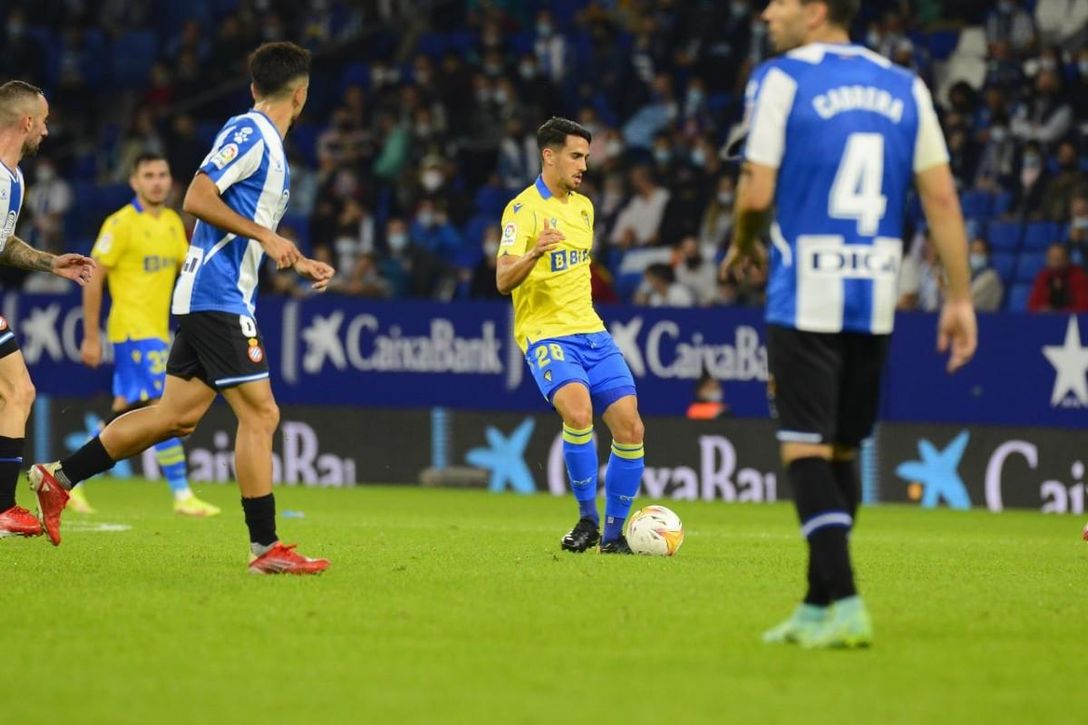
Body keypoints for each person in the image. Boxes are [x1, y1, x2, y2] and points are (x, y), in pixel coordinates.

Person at [723, 0, 976, 648]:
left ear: (814, 11)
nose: (767, 11)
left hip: (804, 292)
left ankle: (848, 599)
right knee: (840, 450)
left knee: (804, 449)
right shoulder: (906, 86)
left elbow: (754, 190)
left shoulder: (780, 79)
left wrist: (743, 241)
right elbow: (942, 198)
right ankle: (815, 605)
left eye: (780, 1)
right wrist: (959, 298)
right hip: (875, 296)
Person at [30, 42, 335, 575]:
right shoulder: (250, 132)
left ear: (254, 85)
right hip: (216, 297)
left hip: (214, 295)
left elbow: (228, 217)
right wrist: (267, 235)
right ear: (302, 95)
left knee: (176, 417)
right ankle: (265, 548)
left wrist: (292, 254)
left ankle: (60, 477)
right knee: (261, 414)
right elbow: (195, 197)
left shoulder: (267, 143)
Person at [497, 117, 646, 554]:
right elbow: (503, 279)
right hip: (546, 334)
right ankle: (587, 520)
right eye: (576, 156)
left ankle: (615, 538)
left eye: (586, 156)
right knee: (578, 414)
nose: (584, 165)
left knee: (631, 427)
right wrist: (534, 252)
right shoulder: (522, 210)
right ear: (549, 155)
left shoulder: (584, 208)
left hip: (592, 332)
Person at [76, 152, 221, 517]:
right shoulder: (120, 223)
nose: (157, 181)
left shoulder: (173, 223)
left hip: (158, 331)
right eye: (149, 175)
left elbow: (189, 273)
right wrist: (91, 335)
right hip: (131, 331)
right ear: (134, 182)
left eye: (163, 174)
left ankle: (67, 476)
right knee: (161, 407)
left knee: (126, 411)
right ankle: (182, 494)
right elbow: (94, 278)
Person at [0, 80, 96, 538]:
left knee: (16, 392)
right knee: (17, 391)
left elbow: (4, 245)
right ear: (26, 122)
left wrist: (48, 261)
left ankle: (2, 508)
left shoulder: (14, 178)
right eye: (44, 121)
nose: (47, 131)